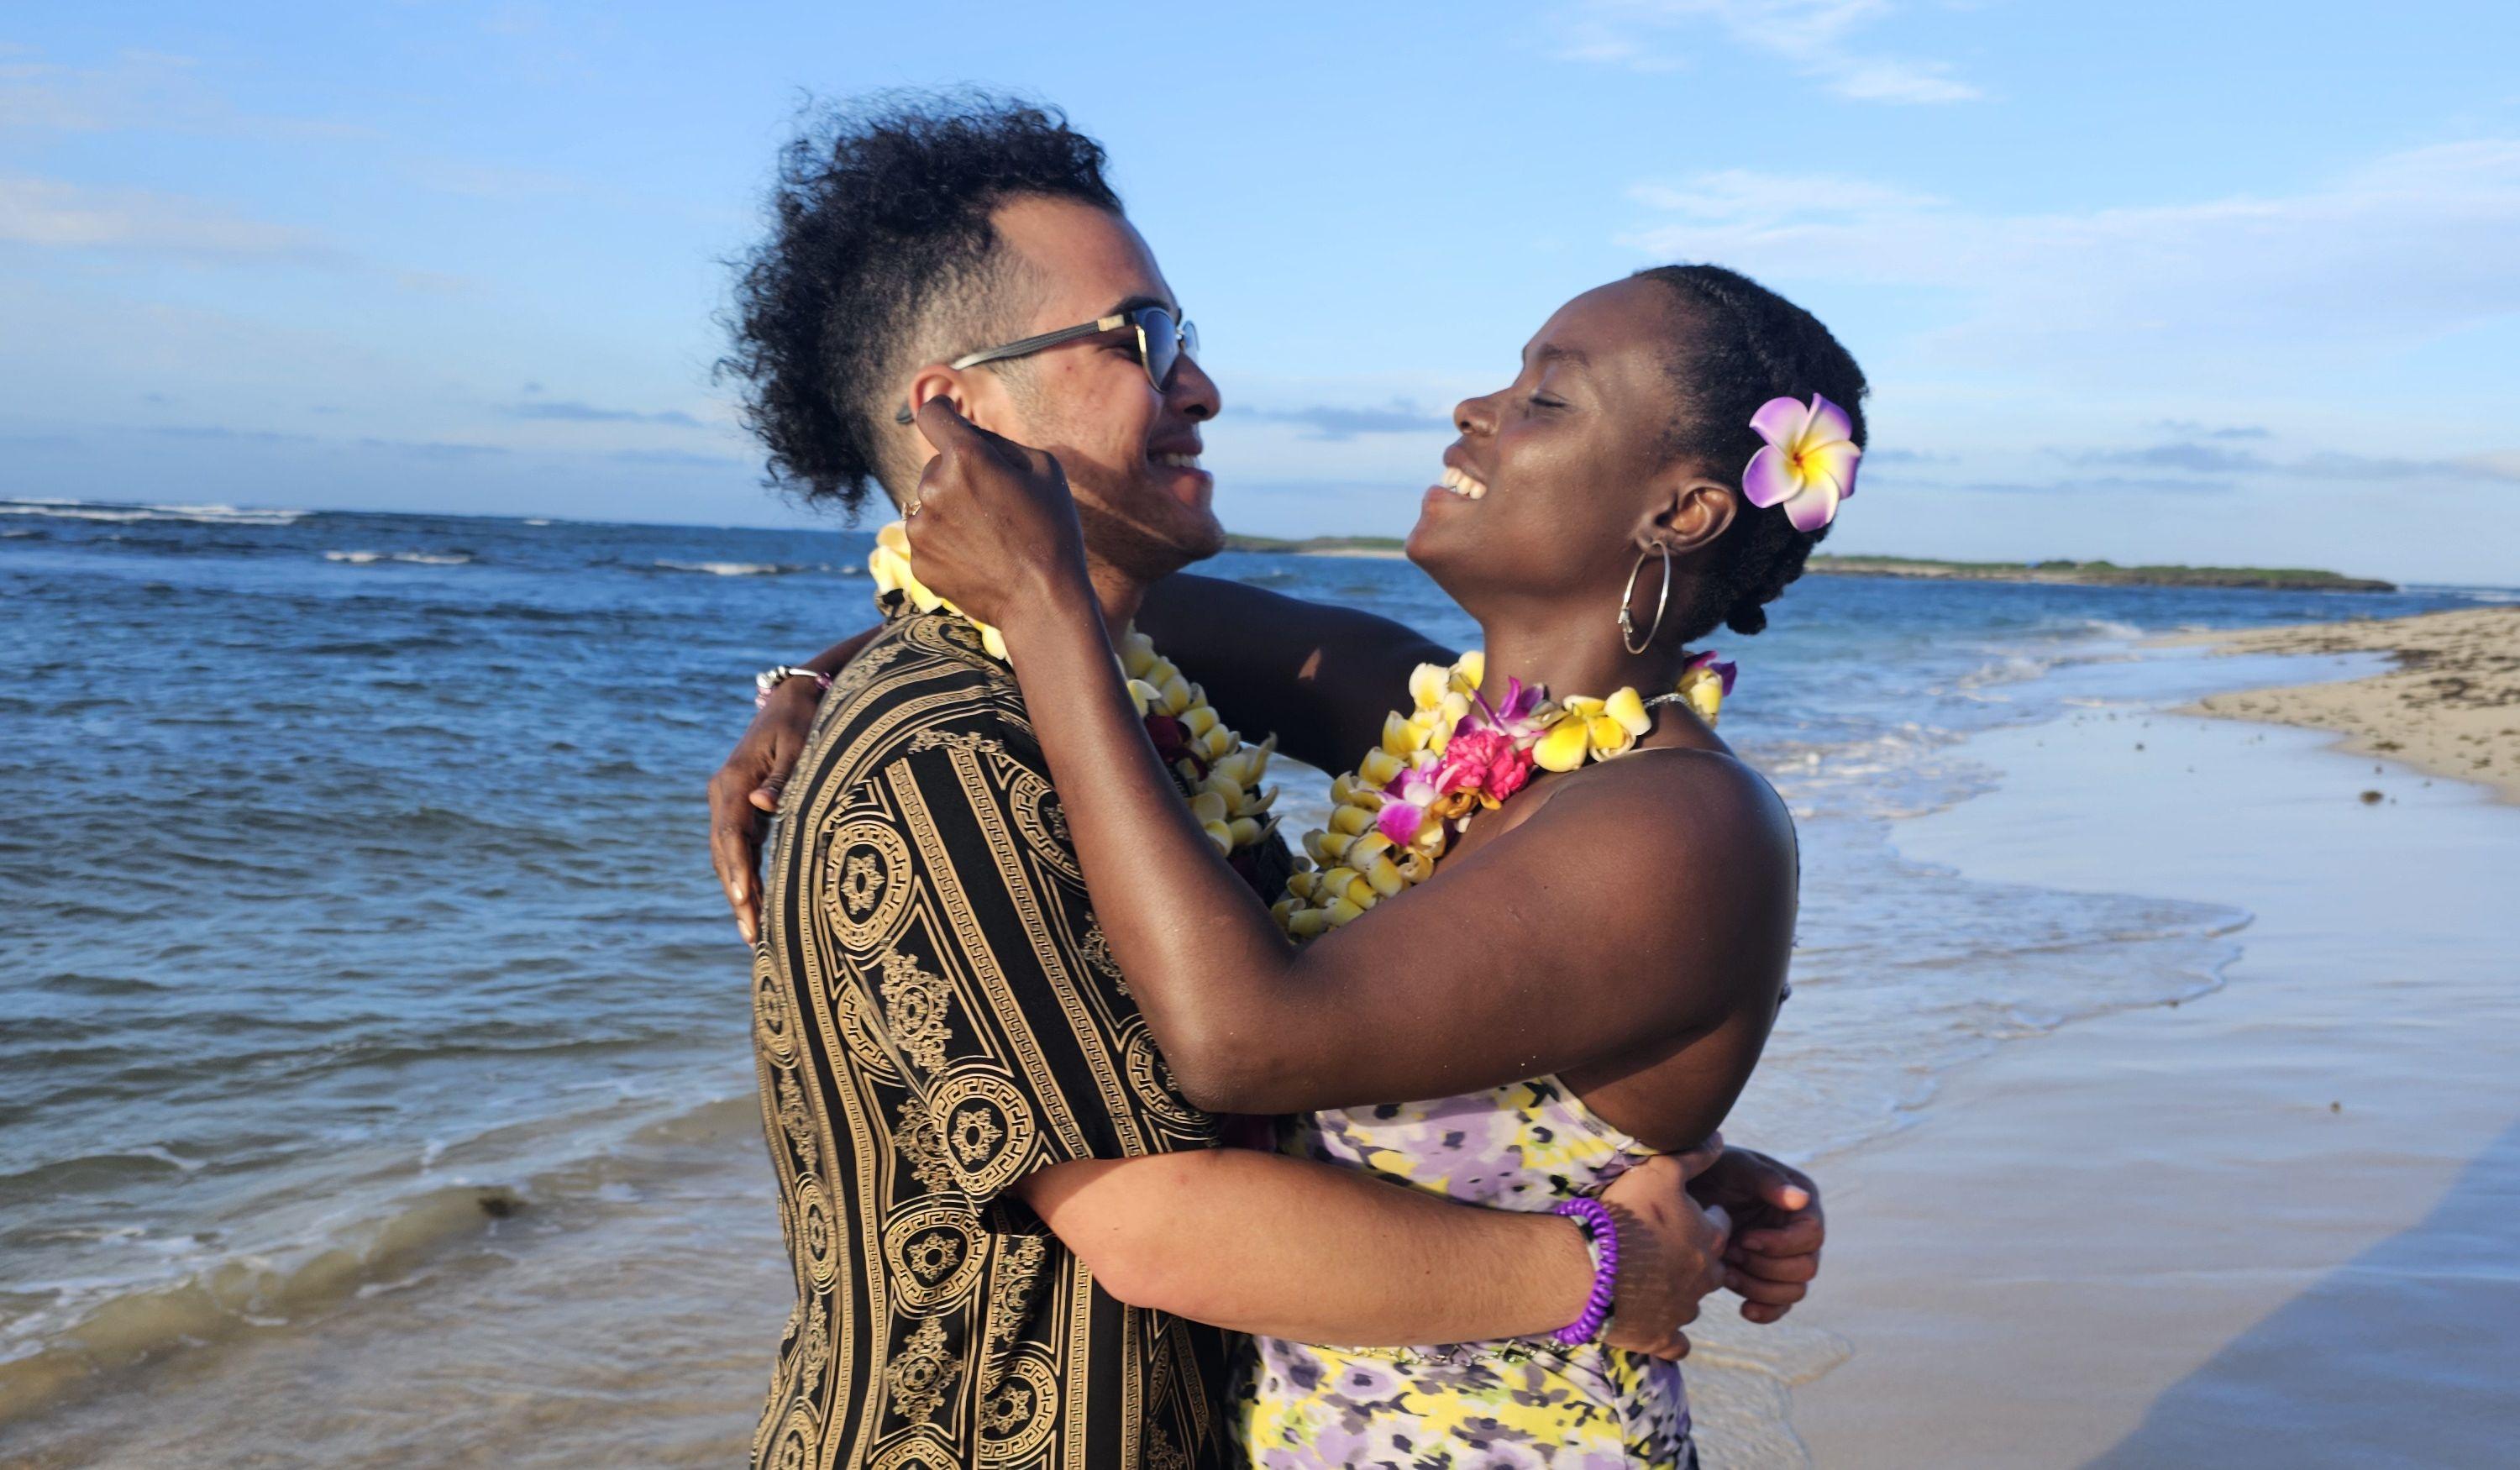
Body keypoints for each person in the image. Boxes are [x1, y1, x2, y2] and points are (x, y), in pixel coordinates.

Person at [715, 93, 1819, 1470]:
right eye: (1142, 339)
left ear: (1684, 510)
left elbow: (1262, 1056)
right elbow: (1171, 1194)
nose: (1201, 386)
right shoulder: (958, 747)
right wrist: (811, 675)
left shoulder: (1648, 804)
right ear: (961, 411)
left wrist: (1646, 1169)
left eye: (1545, 396)